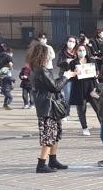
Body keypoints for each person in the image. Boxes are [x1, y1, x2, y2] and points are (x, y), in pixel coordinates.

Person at [30, 41, 76, 174]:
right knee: (49, 136)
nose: (51, 58)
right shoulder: (42, 71)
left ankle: (53, 160)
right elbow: (55, 86)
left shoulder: (40, 70)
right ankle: (41, 163)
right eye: (48, 56)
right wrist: (66, 76)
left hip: (50, 106)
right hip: (47, 107)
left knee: (55, 134)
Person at [68, 45, 97, 136]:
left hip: (91, 88)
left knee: (98, 108)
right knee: (81, 110)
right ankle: (84, 128)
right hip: (79, 90)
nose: (82, 52)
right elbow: (70, 77)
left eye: (83, 50)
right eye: (80, 50)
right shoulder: (73, 63)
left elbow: (95, 76)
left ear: (86, 51)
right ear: (76, 52)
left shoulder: (91, 61)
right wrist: (75, 74)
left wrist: (95, 86)